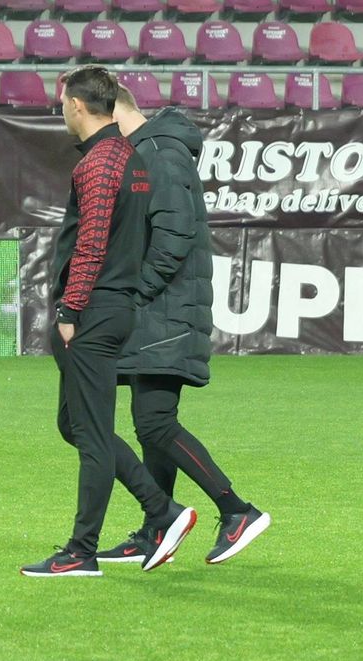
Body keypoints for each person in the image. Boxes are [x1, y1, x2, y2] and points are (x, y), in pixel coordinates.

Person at [21, 66, 197, 578]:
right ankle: (160, 510)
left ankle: (85, 549)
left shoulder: (98, 163)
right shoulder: (129, 157)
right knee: (76, 424)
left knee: (93, 435)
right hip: (113, 306)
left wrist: (70, 310)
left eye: (63, 103)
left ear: (77, 105)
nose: (61, 111)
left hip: (93, 311)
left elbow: (92, 243)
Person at [95, 87, 271, 567]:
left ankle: (237, 510)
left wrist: (133, 295)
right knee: (150, 422)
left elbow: (174, 237)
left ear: (112, 112)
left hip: (165, 310)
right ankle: (157, 529)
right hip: (160, 311)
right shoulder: (149, 150)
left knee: (155, 422)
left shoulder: (159, 152)